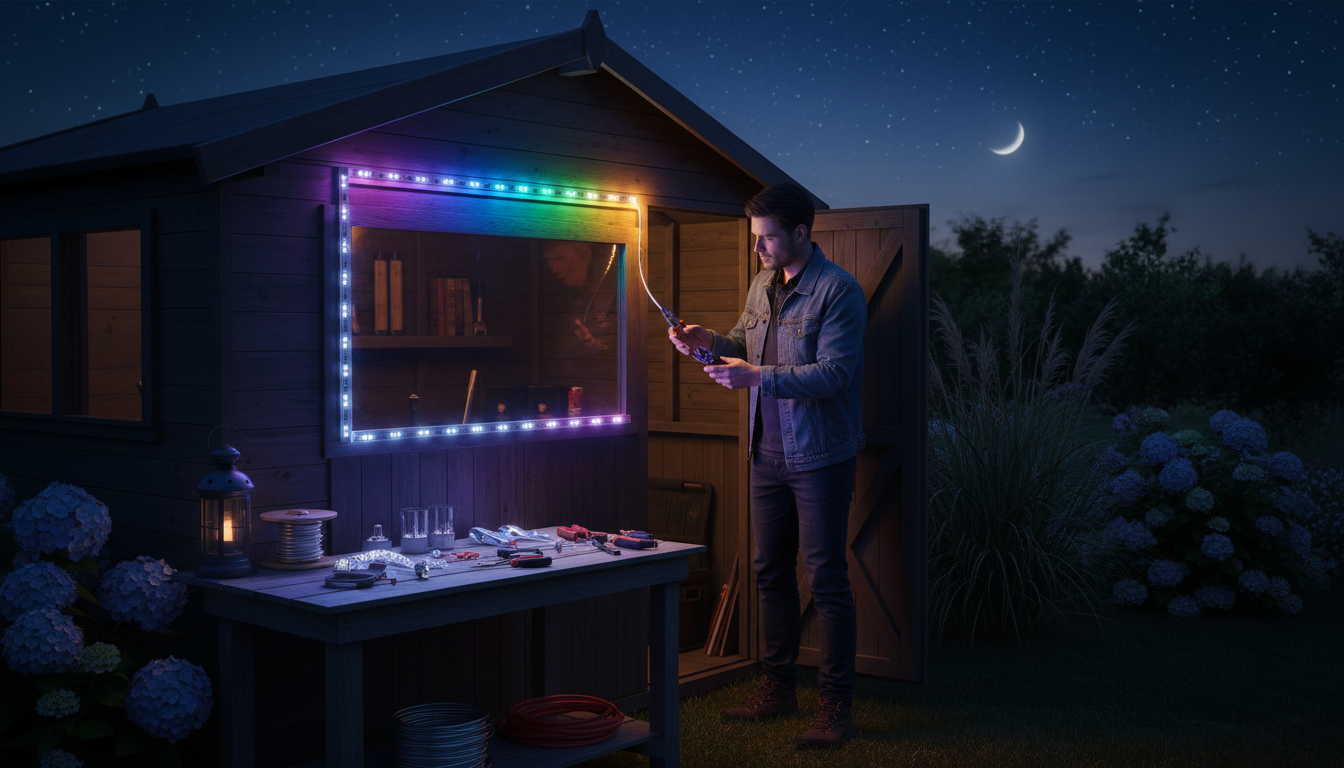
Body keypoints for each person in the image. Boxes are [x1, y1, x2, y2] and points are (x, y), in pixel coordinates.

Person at [668, 182, 866, 749]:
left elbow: (834, 375)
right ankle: (778, 689)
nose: (757, 250)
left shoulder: (839, 293)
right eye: (756, 239)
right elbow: (744, 343)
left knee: (826, 579)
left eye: (767, 238)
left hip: (821, 456)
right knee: (770, 573)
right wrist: (706, 341)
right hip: (765, 453)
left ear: (801, 233)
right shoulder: (762, 283)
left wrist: (757, 377)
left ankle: (836, 708)